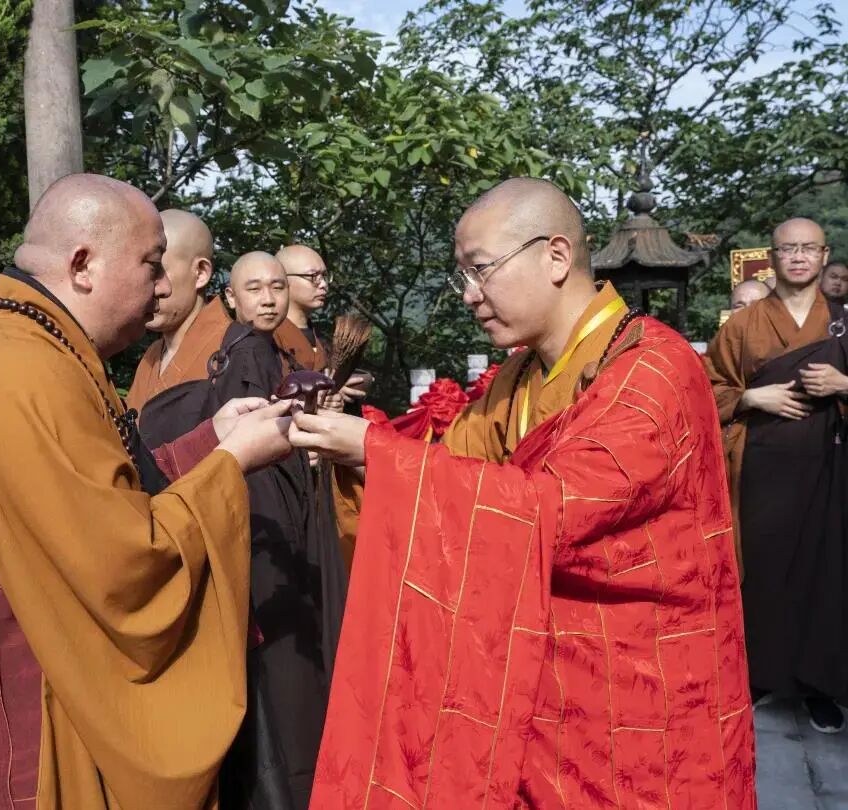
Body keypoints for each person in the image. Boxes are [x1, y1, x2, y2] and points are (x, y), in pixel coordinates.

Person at [290, 178, 755, 808]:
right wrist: (357, 453)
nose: (470, 297)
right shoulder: (521, 374)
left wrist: (376, 454)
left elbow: (557, 508)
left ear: (557, 257)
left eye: (480, 271)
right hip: (533, 692)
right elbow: (449, 466)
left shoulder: (654, 371)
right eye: (462, 278)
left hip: (636, 700)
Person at [0, 174, 294, 809]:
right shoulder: (20, 373)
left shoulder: (32, 346)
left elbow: (91, 490)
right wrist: (229, 466)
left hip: (13, 701)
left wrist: (211, 444)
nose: (163, 286)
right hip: (23, 732)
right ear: (82, 265)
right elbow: (123, 561)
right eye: (148, 264)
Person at [203, 251, 345, 810]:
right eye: (254, 288)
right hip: (269, 540)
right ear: (230, 298)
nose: (268, 298)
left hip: (276, 529)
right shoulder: (247, 354)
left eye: (277, 287)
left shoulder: (267, 351)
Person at [707, 217, 848, 734]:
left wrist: (842, 382)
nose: (799, 257)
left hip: (830, 466)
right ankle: (760, 676)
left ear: (824, 254)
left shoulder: (842, 321)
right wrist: (749, 395)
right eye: (788, 249)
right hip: (761, 466)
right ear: (772, 256)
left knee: (824, 575)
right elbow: (706, 389)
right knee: (762, 573)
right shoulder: (742, 325)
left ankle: (818, 688)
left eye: (809, 248)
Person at [125, 209, 230, 413]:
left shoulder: (239, 352)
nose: (149, 286)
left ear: (200, 273)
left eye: (156, 270)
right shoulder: (152, 355)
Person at [274, 245, 330, 371]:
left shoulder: (321, 341)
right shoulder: (269, 339)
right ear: (283, 280)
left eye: (324, 276)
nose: (323, 285)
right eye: (313, 276)